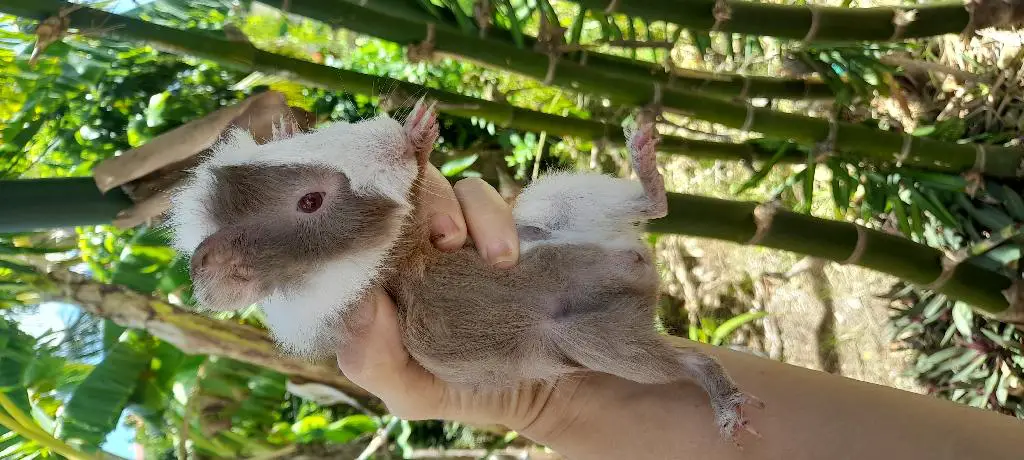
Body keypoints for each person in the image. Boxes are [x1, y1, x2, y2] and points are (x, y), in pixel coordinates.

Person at [336, 164, 1024, 460]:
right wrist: (539, 400)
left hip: (573, 269)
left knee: (539, 212)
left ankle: (637, 197)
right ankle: (637, 201)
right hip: (581, 315)